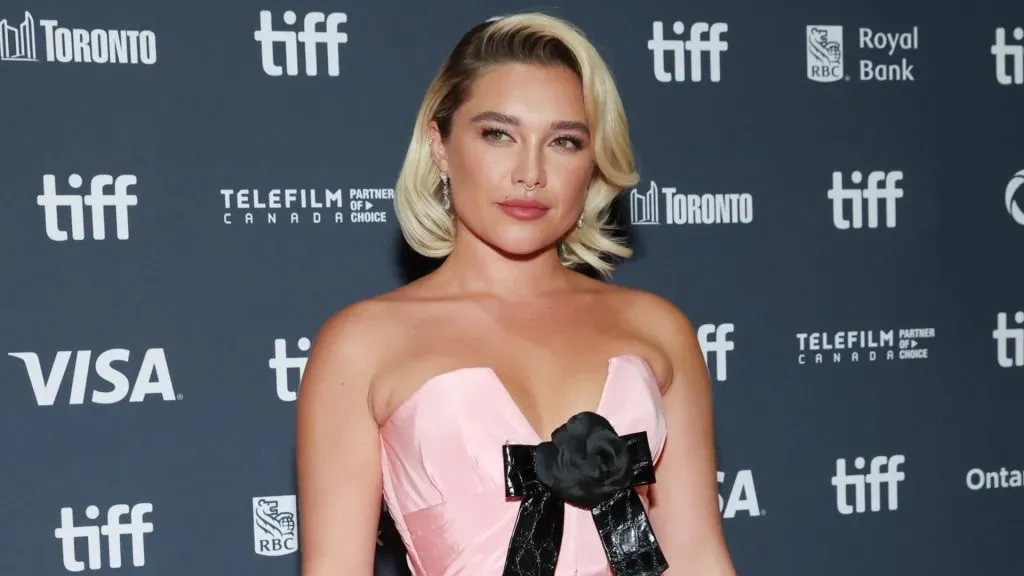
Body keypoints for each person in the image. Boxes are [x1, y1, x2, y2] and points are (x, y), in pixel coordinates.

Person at [295, 11, 737, 576]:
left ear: (593, 162)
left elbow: (697, 555)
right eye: (498, 134)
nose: (530, 172)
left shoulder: (656, 328)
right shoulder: (361, 343)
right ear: (440, 144)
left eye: (565, 141)